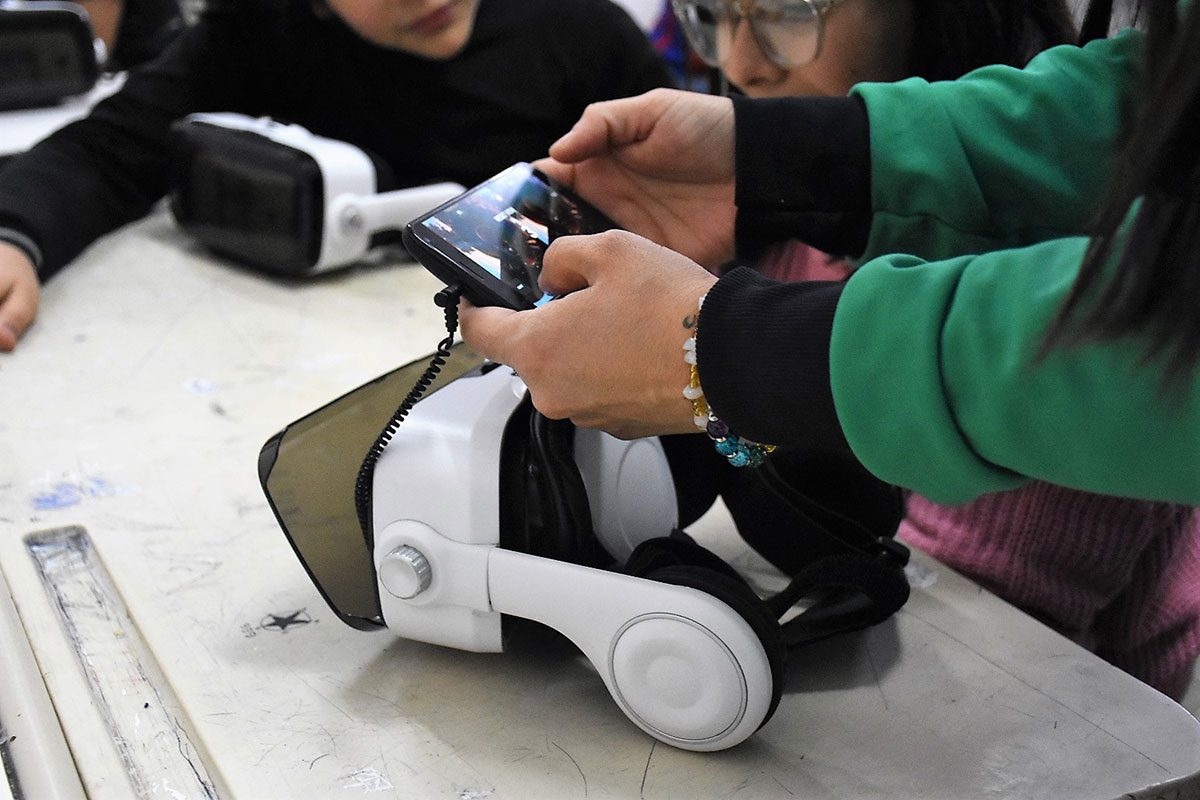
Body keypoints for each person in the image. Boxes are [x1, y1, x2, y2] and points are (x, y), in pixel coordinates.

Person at [456, 0, 1200, 696]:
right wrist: (789, 160)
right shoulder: (780, 243)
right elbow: (1161, 96)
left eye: (790, 8)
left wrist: (723, 352)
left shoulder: (1057, 327)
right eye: (709, 12)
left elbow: (975, 667)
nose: (740, 65)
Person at [0, 0, 673, 351]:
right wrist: (15, 237)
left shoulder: (583, 33)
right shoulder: (259, 35)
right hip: (302, 351)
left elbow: (683, 223)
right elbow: (107, 150)